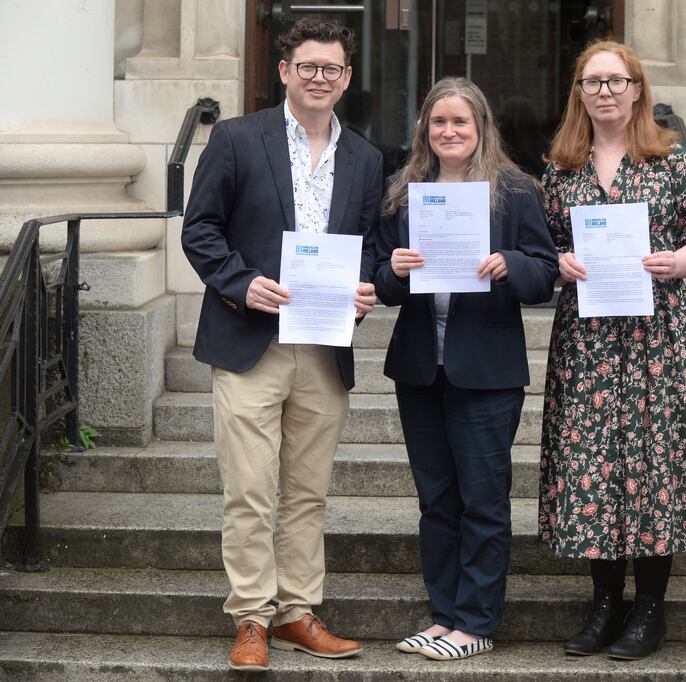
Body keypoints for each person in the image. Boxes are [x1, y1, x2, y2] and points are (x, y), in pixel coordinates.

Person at [181, 18, 381, 672]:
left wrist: (366, 287)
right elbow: (200, 229)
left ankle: (296, 611)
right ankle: (250, 617)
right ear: (285, 71)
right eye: (308, 67)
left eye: (332, 69)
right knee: (249, 490)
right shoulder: (238, 139)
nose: (320, 77)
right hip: (250, 342)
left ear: (346, 78)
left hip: (324, 349)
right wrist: (241, 285)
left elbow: (371, 247)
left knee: (306, 491)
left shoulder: (366, 157)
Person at [538, 40, 686, 660]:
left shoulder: (670, 160)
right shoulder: (561, 168)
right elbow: (540, 250)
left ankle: (649, 608)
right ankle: (603, 604)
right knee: (595, 466)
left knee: (654, 466)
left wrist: (681, 260)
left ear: (637, 89)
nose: (605, 92)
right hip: (589, 343)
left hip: (658, 341)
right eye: (593, 83)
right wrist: (558, 264)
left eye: (616, 81)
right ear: (579, 93)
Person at [374, 77, 558, 661]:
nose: (449, 132)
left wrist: (510, 263)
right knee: (436, 501)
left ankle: (475, 623)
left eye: (461, 122)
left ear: (481, 128)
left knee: (482, 499)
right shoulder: (404, 191)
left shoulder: (515, 191)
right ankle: (444, 615)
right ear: (424, 129)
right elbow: (380, 281)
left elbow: (544, 270)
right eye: (438, 122)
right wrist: (396, 270)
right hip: (420, 369)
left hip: (487, 370)